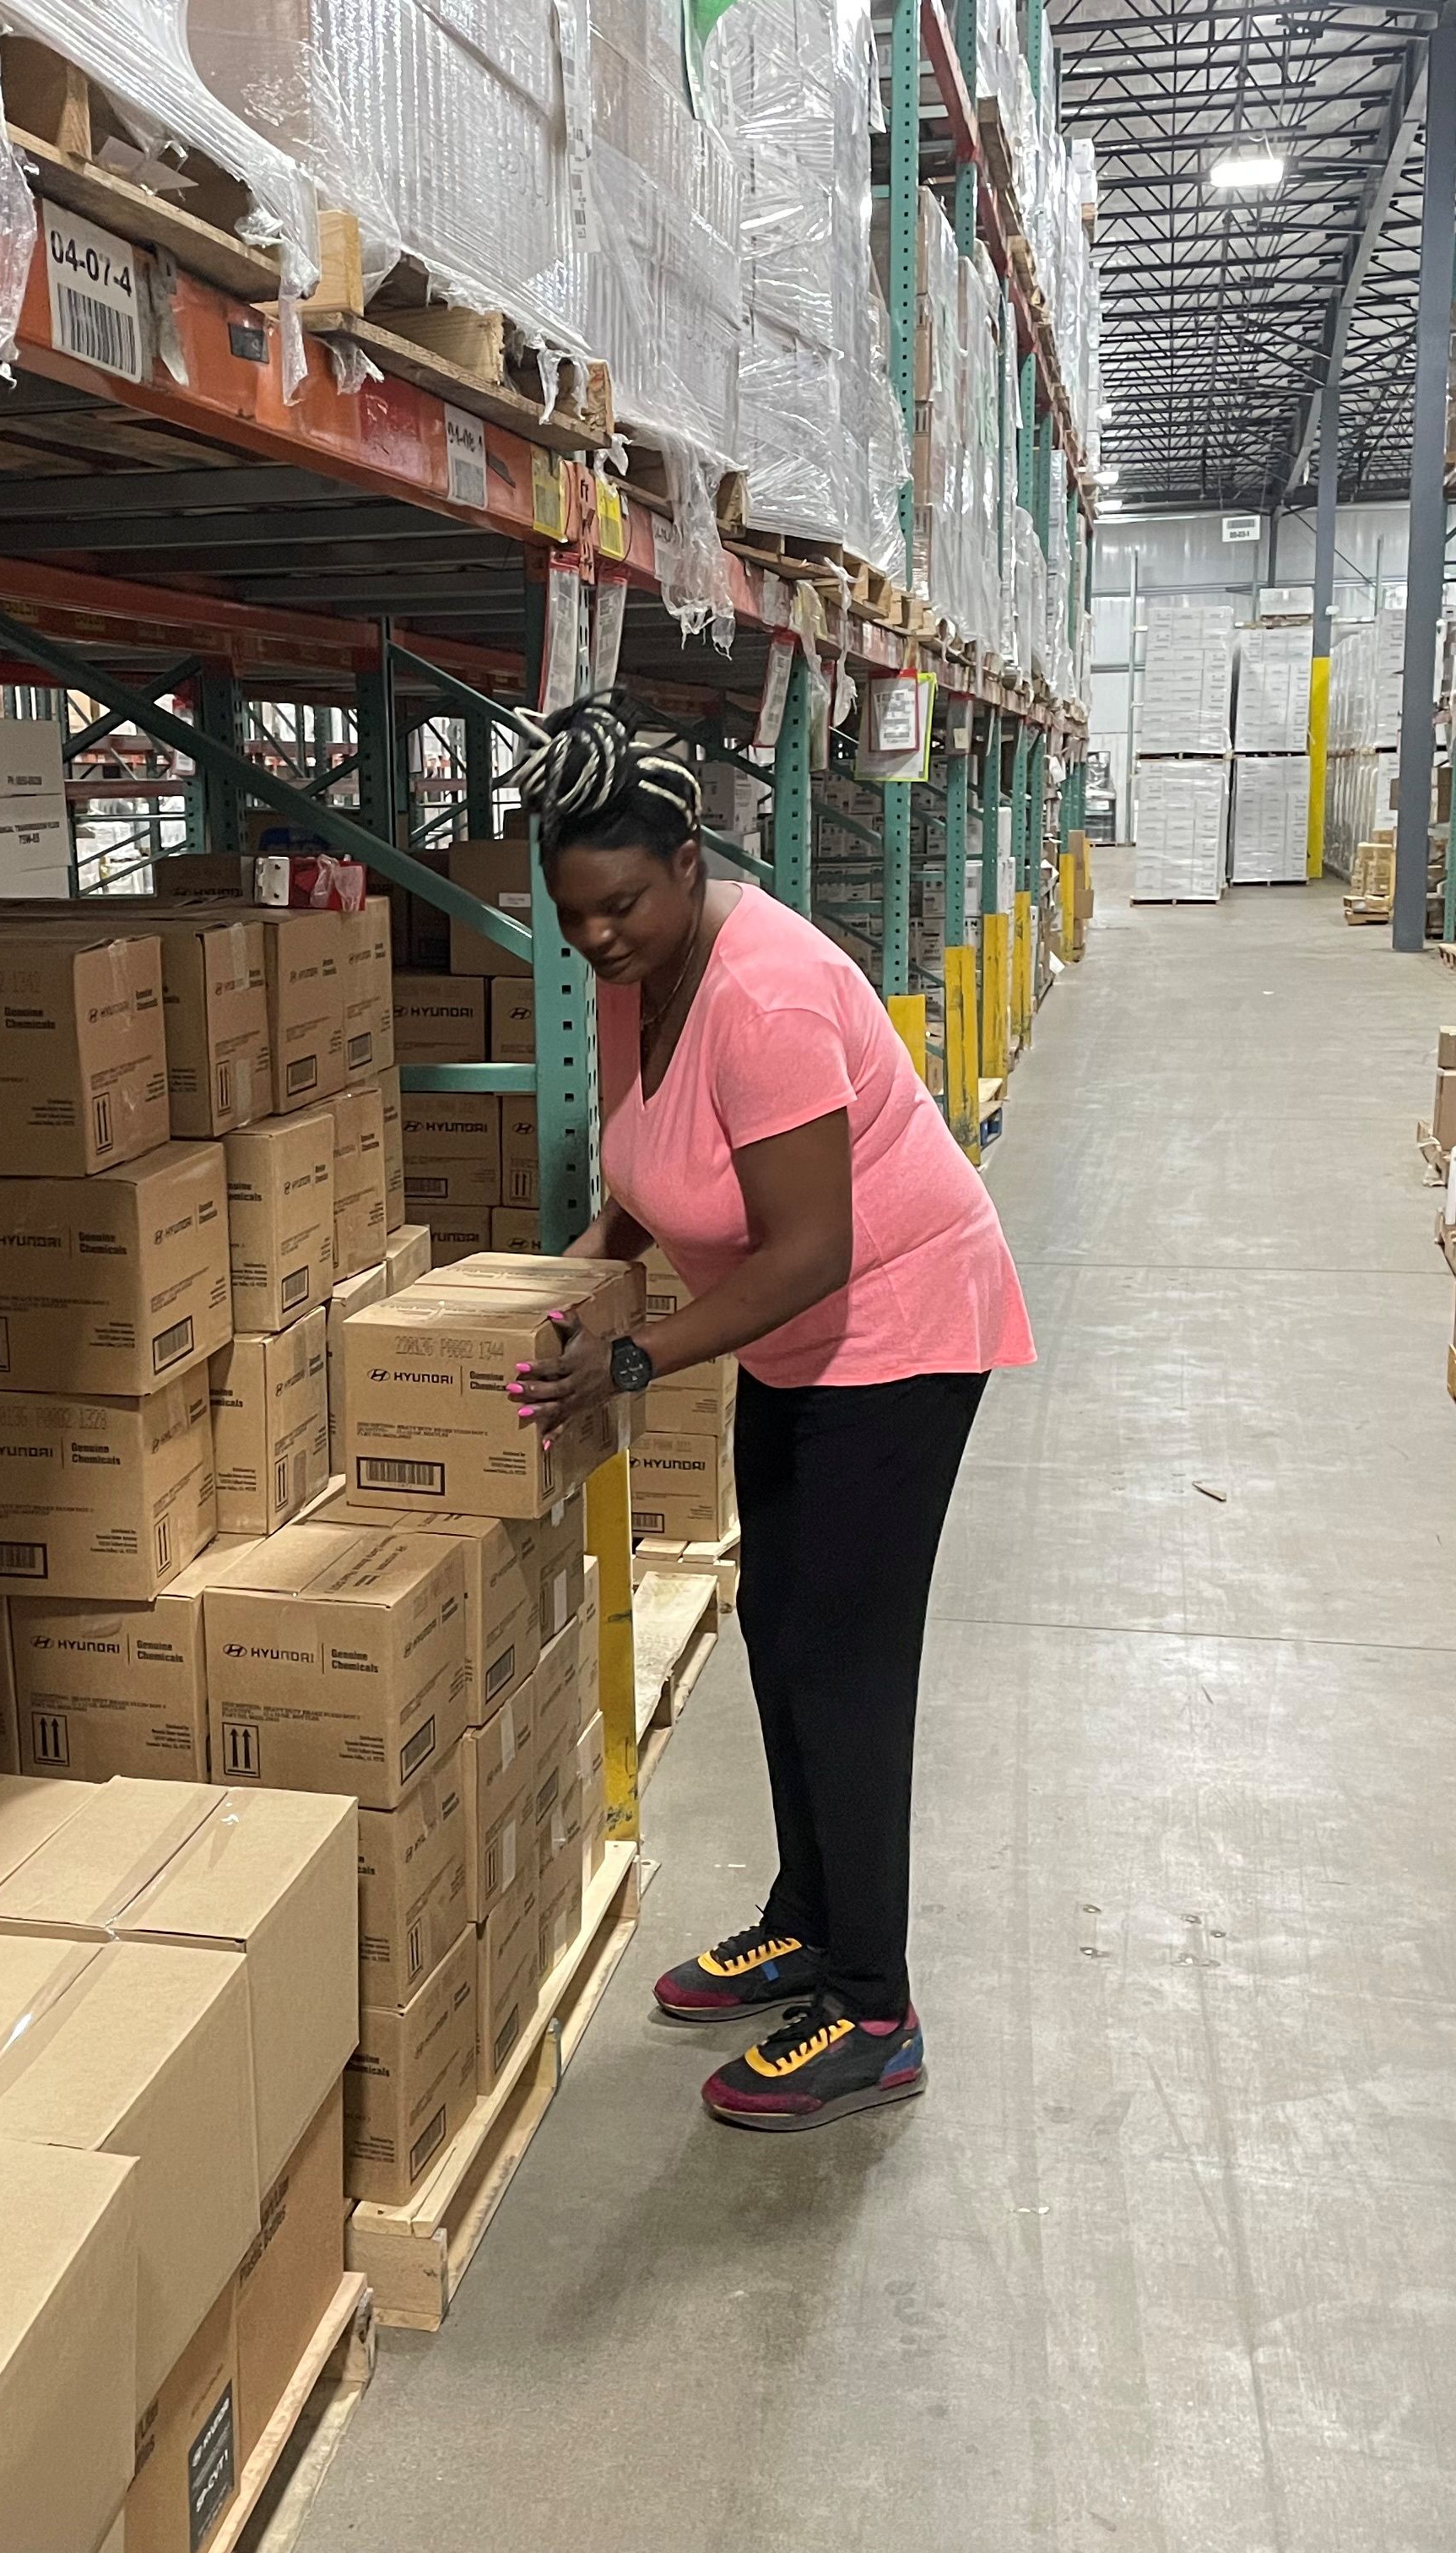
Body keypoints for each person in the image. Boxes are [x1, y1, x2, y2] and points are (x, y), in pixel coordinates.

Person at [506, 696, 1031, 2133]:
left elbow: (811, 1249)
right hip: (799, 1345)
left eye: (621, 904)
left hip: (899, 1330)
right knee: (785, 1638)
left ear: (689, 862)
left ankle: (874, 2009)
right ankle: (808, 1917)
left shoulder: (771, 991)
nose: (598, 937)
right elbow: (650, 1156)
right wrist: (587, 1272)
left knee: (849, 1668)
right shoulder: (638, 977)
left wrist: (632, 1360)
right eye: (574, 915)